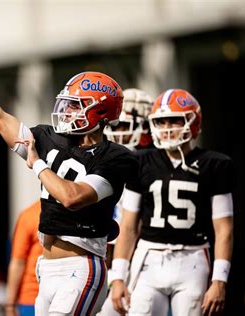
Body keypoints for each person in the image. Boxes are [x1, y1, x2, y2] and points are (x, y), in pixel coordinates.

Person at [0, 31, 138, 315]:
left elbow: (72, 196)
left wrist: (38, 164)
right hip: (46, 269)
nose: (67, 110)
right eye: (67, 103)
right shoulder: (49, 138)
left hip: (81, 267)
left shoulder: (115, 157)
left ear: (101, 113)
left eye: (76, 105)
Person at [109, 89, 234, 316]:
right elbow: (128, 226)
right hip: (149, 258)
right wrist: (118, 276)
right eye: (161, 121)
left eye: (175, 121)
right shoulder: (140, 162)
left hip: (193, 258)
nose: (167, 128)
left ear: (193, 122)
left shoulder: (214, 165)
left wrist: (220, 280)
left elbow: (224, 229)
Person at [99, 88, 154, 316]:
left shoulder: (152, 167)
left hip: (143, 264)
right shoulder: (104, 161)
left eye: (125, 125)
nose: (119, 133)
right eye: (115, 126)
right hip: (107, 262)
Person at [6, 200, 43, 316]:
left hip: (66, 295)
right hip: (32, 297)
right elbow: (18, 261)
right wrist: (10, 304)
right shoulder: (29, 215)